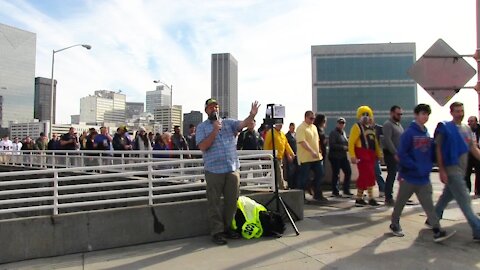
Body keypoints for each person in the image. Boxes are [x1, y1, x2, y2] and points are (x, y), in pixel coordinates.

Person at [196, 98, 260, 245]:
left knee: (232, 201)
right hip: (213, 170)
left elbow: (243, 124)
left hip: (232, 169)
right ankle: (217, 231)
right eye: (211, 107)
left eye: (216, 107)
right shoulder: (202, 127)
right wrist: (214, 130)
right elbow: (203, 147)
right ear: (206, 110)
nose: (214, 109)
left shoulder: (229, 123)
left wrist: (252, 115)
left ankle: (229, 227)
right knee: (214, 202)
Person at [389, 104, 455, 242]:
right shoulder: (408, 133)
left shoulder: (426, 133)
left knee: (429, 205)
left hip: (423, 178)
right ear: (416, 115)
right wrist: (414, 166)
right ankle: (394, 224)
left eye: (427, 114)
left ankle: (437, 230)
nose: (425, 117)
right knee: (400, 203)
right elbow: (401, 154)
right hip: (409, 177)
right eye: (423, 114)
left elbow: (429, 153)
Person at [433, 102, 480, 242]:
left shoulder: (467, 129)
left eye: (461, 111)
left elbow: (473, 148)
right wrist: (441, 170)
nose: (460, 113)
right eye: (457, 111)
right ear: (451, 112)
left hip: (462, 170)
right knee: (465, 200)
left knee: (446, 197)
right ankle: (477, 230)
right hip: (452, 169)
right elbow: (438, 149)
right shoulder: (445, 128)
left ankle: (433, 218)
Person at [348, 106, 383, 207]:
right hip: (362, 155)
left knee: (368, 176)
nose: (365, 117)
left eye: (367, 115)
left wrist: (379, 155)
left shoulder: (371, 128)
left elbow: (375, 143)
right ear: (359, 116)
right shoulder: (357, 127)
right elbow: (351, 142)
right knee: (367, 175)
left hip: (371, 155)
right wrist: (352, 156)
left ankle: (359, 198)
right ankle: (370, 198)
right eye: (363, 115)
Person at [296, 110, 327, 202]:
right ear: (305, 117)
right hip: (305, 158)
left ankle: (317, 193)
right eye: (311, 118)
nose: (312, 120)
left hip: (316, 157)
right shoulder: (301, 128)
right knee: (303, 178)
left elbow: (317, 140)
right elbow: (302, 142)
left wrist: (319, 150)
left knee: (320, 174)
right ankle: (301, 197)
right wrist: (311, 151)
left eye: (314, 118)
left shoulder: (314, 127)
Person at [383, 105, 404, 206]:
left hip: (400, 154)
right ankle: (388, 197)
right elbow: (388, 140)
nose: (400, 116)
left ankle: (403, 196)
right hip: (391, 155)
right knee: (391, 175)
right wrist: (395, 153)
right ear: (392, 113)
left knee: (402, 176)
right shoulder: (388, 124)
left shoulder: (399, 125)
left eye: (401, 114)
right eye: (398, 114)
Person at [263, 123, 295, 190]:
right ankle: (282, 186)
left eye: (281, 124)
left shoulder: (282, 134)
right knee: (279, 172)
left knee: (274, 172)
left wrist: (292, 153)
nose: (280, 126)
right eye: (279, 124)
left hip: (280, 156)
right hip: (273, 156)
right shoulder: (270, 132)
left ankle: (269, 185)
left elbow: (286, 144)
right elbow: (266, 143)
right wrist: (266, 154)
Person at [328, 117, 352, 197]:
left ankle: (346, 190)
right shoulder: (333, 133)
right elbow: (332, 145)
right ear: (337, 124)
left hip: (343, 156)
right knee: (336, 174)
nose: (341, 125)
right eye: (340, 123)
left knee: (348, 171)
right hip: (335, 157)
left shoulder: (343, 133)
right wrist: (343, 147)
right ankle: (335, 191)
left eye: (343, 123)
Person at [465, 116, 480, 197]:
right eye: (468, 121)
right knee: (467, 173)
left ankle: (478, 191)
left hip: (478, 152)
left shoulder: (478, 129)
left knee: (479, 173)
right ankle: (467, 191)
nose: (469, 123)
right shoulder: (466, 129)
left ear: (476, 122)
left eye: (471, 121)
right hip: (469, 153)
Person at [373, 122, 386, 197]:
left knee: (377, 172)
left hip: (375, 153)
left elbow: (386, 133)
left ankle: (382, 189)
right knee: (365, 174)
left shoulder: (378, 128)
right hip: (365, 153)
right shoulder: (361, 128)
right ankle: (362, 191)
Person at [285, 123, 298, 189]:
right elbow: (286, 146)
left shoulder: (296, 135)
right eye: (291, 127)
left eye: (293, 127)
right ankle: (290, 185)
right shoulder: (287, 136)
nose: (292, 128)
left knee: (296, 171)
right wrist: (288, 155)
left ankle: (295, 185)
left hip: (296, 155)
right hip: (290, 155)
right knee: (290, 171)